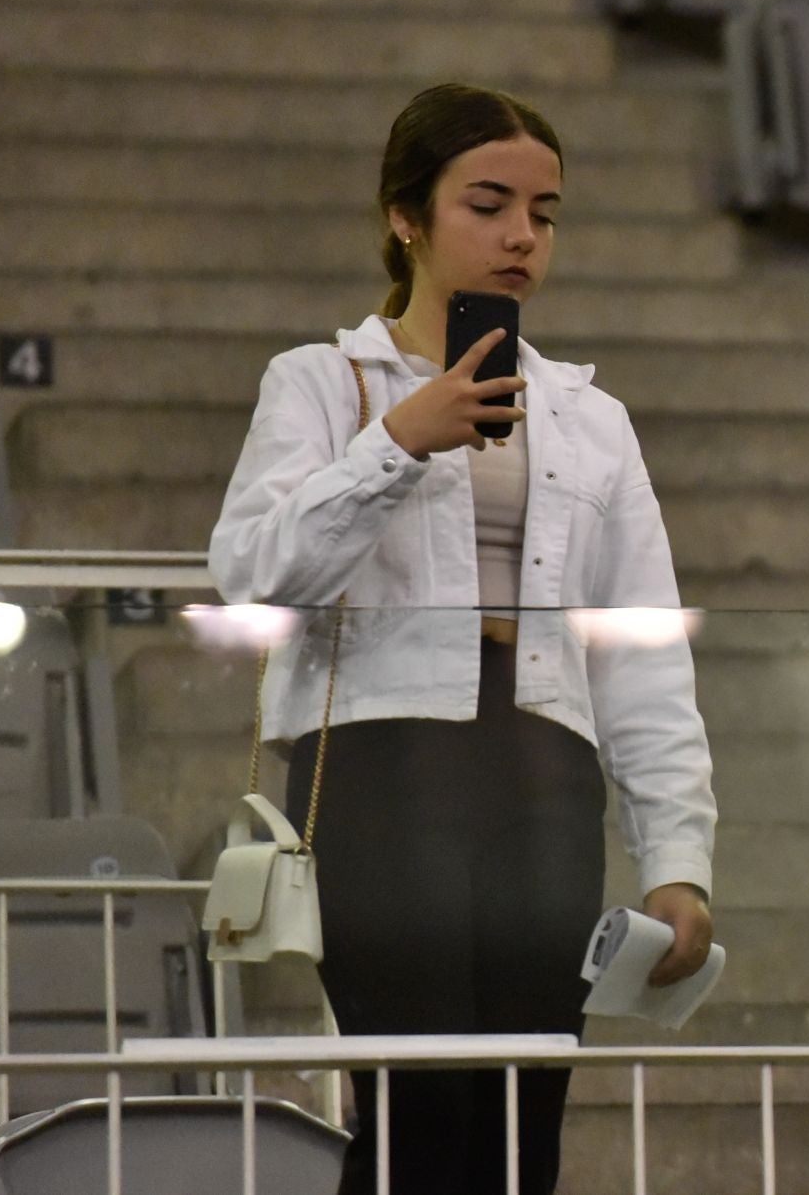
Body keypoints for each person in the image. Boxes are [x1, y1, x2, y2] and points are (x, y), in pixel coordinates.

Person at [209, 82, 716, 1195]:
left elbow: (640, 644)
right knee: (416, 1105)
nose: (521, 235)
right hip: (384, 766)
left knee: (524, 1116)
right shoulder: (320, 381)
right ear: (407, 216)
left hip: (541, 763)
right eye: (488, 204)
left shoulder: (591, 416)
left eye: (545, 211)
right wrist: (399, 440)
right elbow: (253, 572)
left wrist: (678, 857)